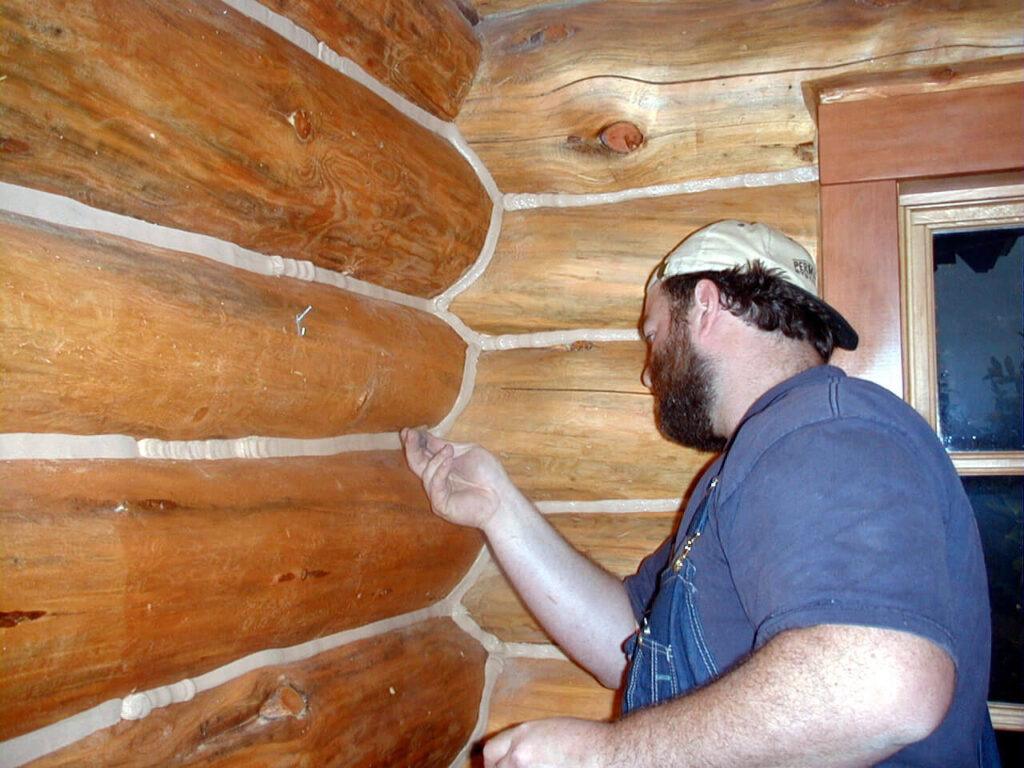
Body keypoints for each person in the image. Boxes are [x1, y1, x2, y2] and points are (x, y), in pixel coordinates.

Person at [401, 220, 999, 768]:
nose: (647, 369)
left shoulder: (826, 432)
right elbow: (630, 644)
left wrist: (608, 757)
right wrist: (499, 508)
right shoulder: (751, 462)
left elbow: (880, 686)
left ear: (707, 305)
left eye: (653, 333)